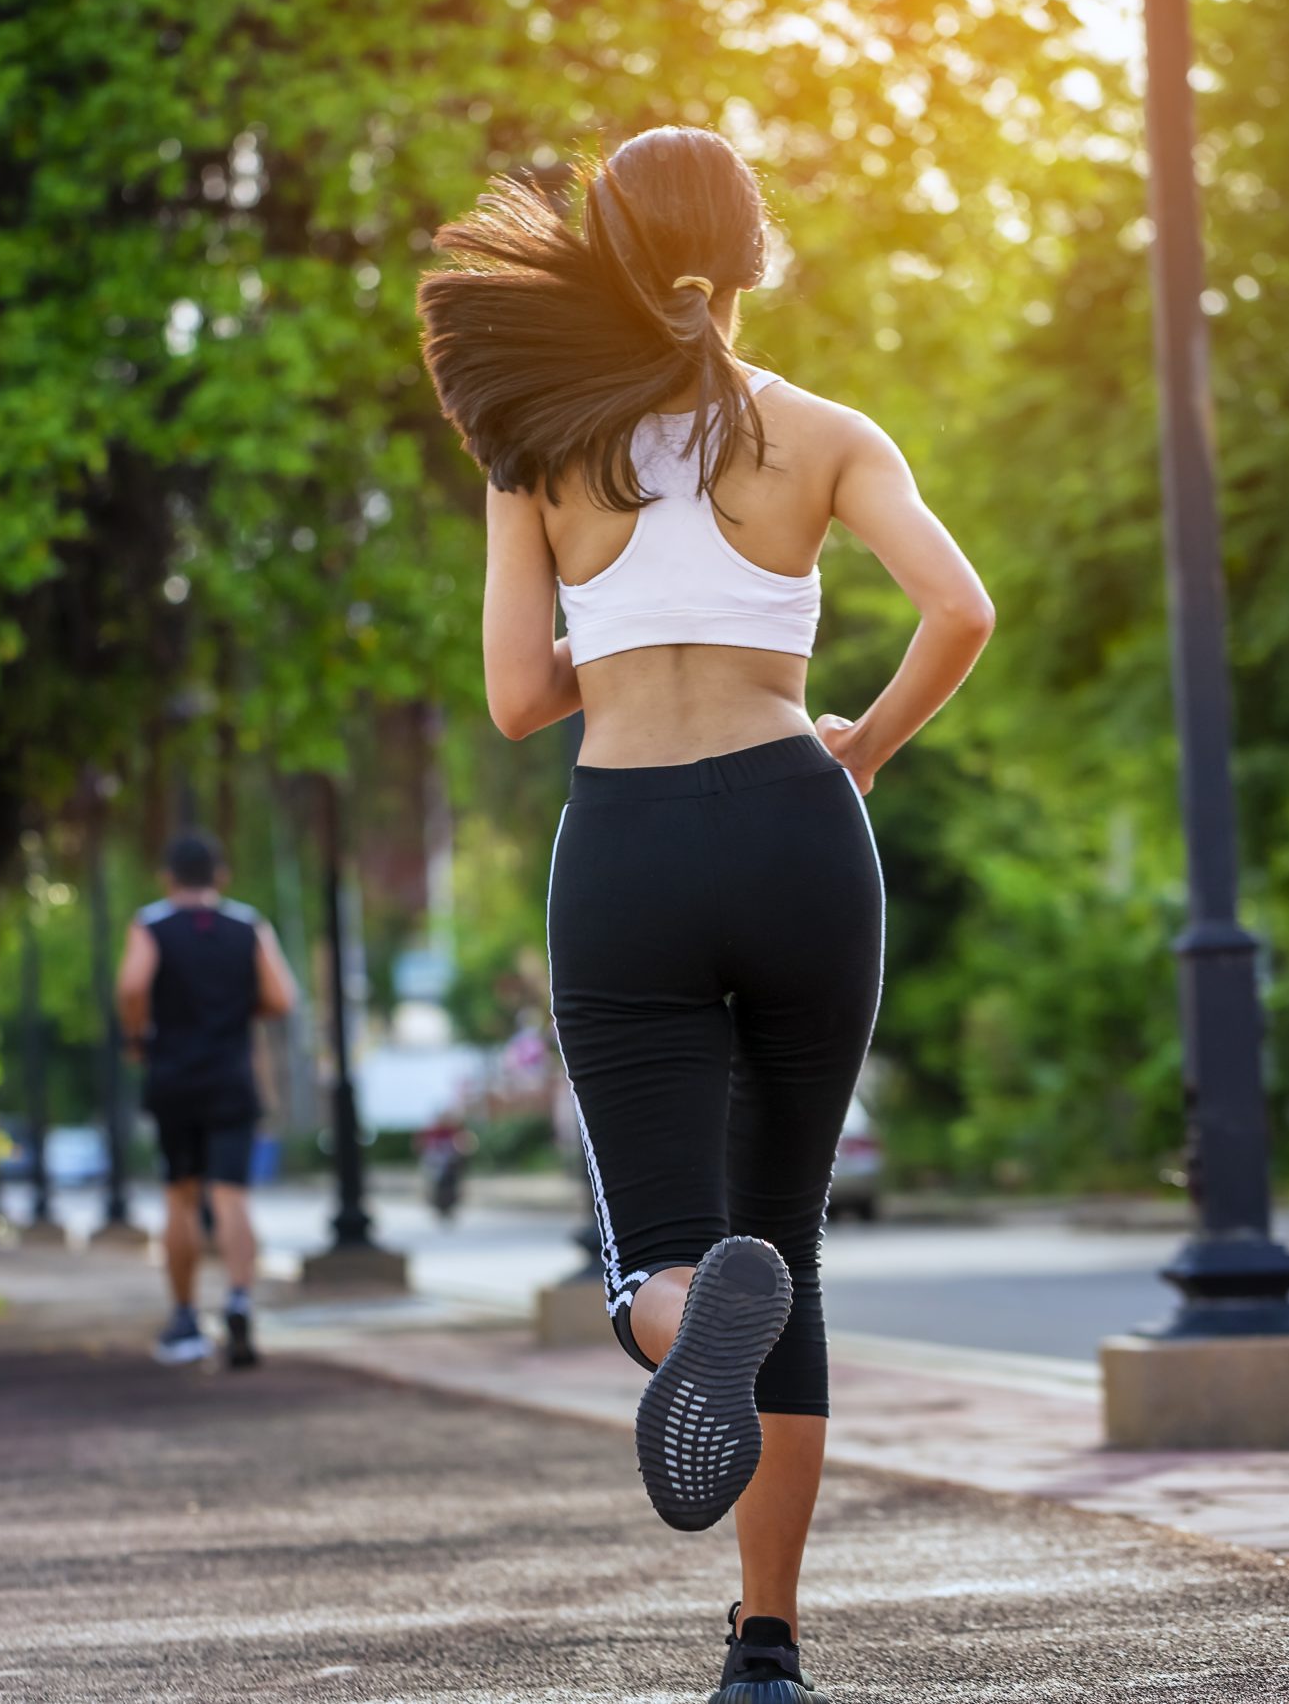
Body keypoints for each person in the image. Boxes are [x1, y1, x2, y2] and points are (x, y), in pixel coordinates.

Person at [417, 126, 994, 1704]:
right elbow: (961, 609)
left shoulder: (537, 447)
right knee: (789, 1238)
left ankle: (673, 1314)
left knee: (662, 1250)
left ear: (602, 260)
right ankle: (767, 1644)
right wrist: (857, 752)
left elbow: (521, 695)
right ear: (756, 255)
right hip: (802, 829)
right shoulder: (823, 433)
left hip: (631, 850)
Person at [116, 830, 299, 1370]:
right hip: (231, 1077)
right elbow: (282, 996)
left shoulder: (150, 925)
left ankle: (184, 1317)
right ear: (220, 876)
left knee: (180, 1197)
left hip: (172, 1076)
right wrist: (241, 1009)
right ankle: (239, 1300)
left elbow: (131, 987)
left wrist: (136, 1037)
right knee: (232, 1195)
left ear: (167, 879)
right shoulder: (247, 925)